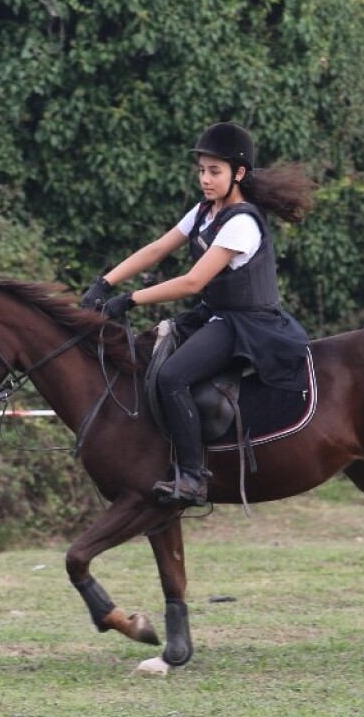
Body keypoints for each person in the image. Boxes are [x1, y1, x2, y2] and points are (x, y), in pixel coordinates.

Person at [79, 122, 315, 507]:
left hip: (248, 324)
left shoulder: (241, 223)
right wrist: (103, 283)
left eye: (214, 171)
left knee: (173, 377)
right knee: (148, 354)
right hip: (216, 315)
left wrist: (131, 299)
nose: (205, 179)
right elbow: (157, 249)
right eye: (202, 170)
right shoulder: (205, 211)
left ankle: (192, 477)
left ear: (238, 173)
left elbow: (192, 282)